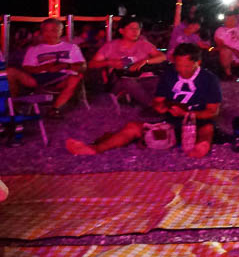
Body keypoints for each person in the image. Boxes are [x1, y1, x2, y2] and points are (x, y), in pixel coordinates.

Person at [66, 43, 221, 158]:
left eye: (187, 66)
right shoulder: (170, 74)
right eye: (178, 65)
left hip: (198, 121)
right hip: (171, 122)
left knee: (207, 130)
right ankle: (95, 149)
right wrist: (160, 107)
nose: (181, 70)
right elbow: (158, 101)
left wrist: (187, 113)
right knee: (133, 127)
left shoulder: (209, 79)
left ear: (198, 63)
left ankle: (200, 148)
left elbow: (212, 112)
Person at [6, 18, 85, 117]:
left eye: (54, 30)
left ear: (61, 31)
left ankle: (54, 109)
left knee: (75, 77)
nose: (50, 34)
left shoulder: (71, 47)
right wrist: (44, 68)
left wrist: (65, 65)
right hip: (38, 77)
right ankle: (13, 107)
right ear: (42, 32)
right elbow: (26, 68)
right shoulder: (34, 49)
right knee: (10, 72)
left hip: (61, 78)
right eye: (46, 31)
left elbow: (83, 66)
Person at [89, 17, 168, 108]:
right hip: (120, 79)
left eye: (137, 28)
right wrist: (109, 62)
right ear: (121, 30)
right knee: (127, 81)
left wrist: (145, 61)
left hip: (143, 77)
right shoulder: (110, 46)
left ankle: (160, 105)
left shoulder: (144, 44)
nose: (135, 31)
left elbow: (162, 57)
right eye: (131, 28)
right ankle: (153, 107)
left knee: (159, 80)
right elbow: (92, 64)